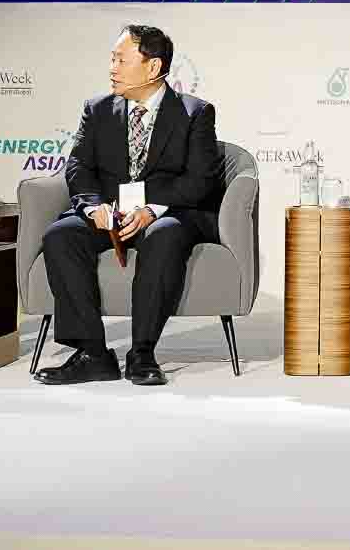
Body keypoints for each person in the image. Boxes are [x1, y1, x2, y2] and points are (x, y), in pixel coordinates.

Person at [35, 25, 222, 387]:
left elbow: (201, 179)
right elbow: (78, 167)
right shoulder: (97, 109)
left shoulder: (195, 112)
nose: (112, 68)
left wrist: (152, 209)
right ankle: (92, 354)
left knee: (165, 236)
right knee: (61, 236)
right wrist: (93, 208)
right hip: (109, 211)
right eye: (112, 59)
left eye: (121, 60)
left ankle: (142, 354)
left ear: (153, 67)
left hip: (166, 213)